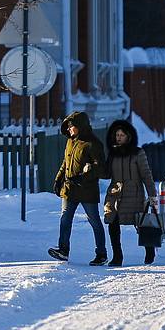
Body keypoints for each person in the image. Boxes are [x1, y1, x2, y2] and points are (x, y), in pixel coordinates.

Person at [47, 111, 108, 265]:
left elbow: (100, 167)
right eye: (68, 127)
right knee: (65, 218)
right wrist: (58, 179)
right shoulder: (70, 142)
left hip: (87, 190)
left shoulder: (93, 144)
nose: (69, 130)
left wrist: (84, 176)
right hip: (70, 188)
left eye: (71, 127)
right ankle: (63, 250)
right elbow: (65, 163)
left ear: (80, 126)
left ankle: (101, 254)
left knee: (94, 221)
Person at [102, 119, 159, 266]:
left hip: (134, 195)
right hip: (114, 196)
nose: (119, 137)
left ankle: (149, 251)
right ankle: (117, 256)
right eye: (117, 135)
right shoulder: (113, 154)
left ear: (128, 136)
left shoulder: (138, 153)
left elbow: (146, 174)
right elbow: (106, 174)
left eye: (122, 135)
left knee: (140, 224)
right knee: (112, 224)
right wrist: (94, 166)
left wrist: (152, 195)